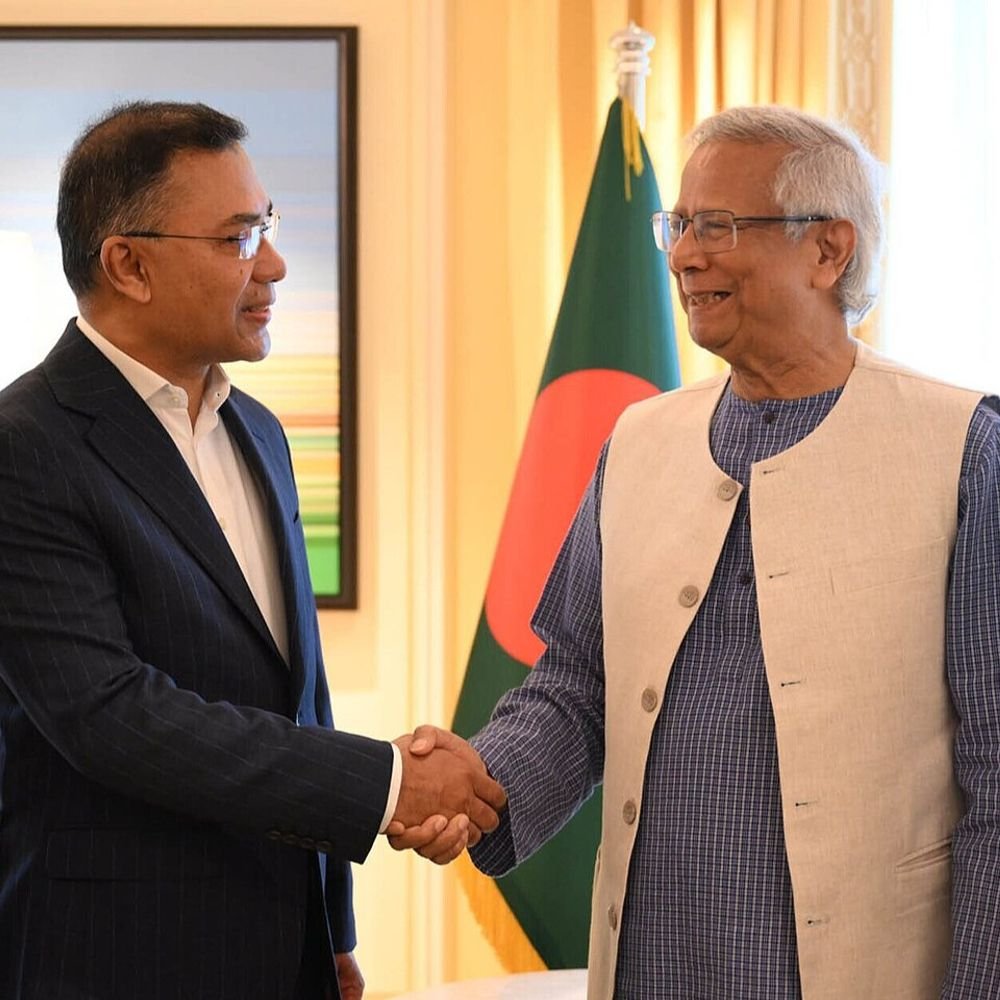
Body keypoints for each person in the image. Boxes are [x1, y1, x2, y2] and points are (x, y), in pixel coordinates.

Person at [391, 106, 1000, 999]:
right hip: (651, 964)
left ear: (828, 250)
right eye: (677, 226)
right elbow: (579, 684)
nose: (682, 255)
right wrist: (481, 784)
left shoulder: (964, 449)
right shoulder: (638, 440)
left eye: (717, 226)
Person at [0, 100, 504, 1000]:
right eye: (239, 238)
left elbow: (297, 691)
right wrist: (387, 785)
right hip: (114, 957)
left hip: (283, 951)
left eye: (265, 227)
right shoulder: (25, 445)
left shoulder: (259, 431)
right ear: (129, 265)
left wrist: (332, 930)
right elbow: (110, 716)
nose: (273, 264)